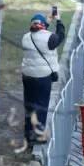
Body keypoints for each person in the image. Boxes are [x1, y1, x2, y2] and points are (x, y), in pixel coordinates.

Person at [21, 9, 66, 149]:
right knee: (40, 107)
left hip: (27, 76)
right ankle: (37, 137)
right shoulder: (50, 38)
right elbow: (60, 35)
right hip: (42, 77)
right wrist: (58, 20)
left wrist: (48, 20)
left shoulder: (26, 37)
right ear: (42, 25)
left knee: (29, 106)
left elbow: (39, 31)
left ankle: (28, 136)